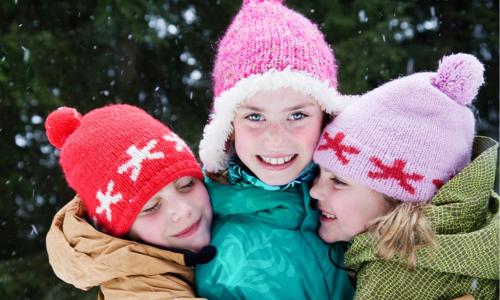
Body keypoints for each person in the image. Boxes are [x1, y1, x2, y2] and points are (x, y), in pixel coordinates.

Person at [195, 0, 354, 299]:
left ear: (326, 116)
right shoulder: (215, 240)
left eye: (297, 116)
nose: (275, 139)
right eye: (255, 117)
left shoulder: (366, 192)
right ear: (229, 126)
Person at [311, 53, 499, 299]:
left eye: (338, 181)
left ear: (398, 199)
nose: (314, 191)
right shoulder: (482, 237)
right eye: (319, 173)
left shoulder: (392, 276)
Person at [44, 104, 215, 299]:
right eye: (151, 207)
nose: (182, 210)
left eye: (186, 185)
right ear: (116, 233)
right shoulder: (137, 292)